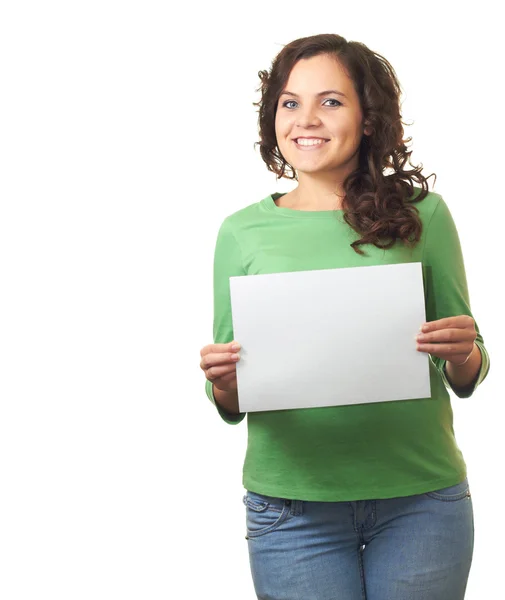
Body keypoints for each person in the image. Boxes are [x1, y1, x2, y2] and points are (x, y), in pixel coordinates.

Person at [199, 33, 490, 600]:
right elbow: (228, 399)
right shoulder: (240, 232)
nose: (307, 118)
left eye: (330, 101)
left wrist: (465, 353)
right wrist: (225, 384)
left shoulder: (423, 215)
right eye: (290, 102)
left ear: (368, 116)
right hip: (291, 510)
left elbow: (469, 368)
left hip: (420, 502)